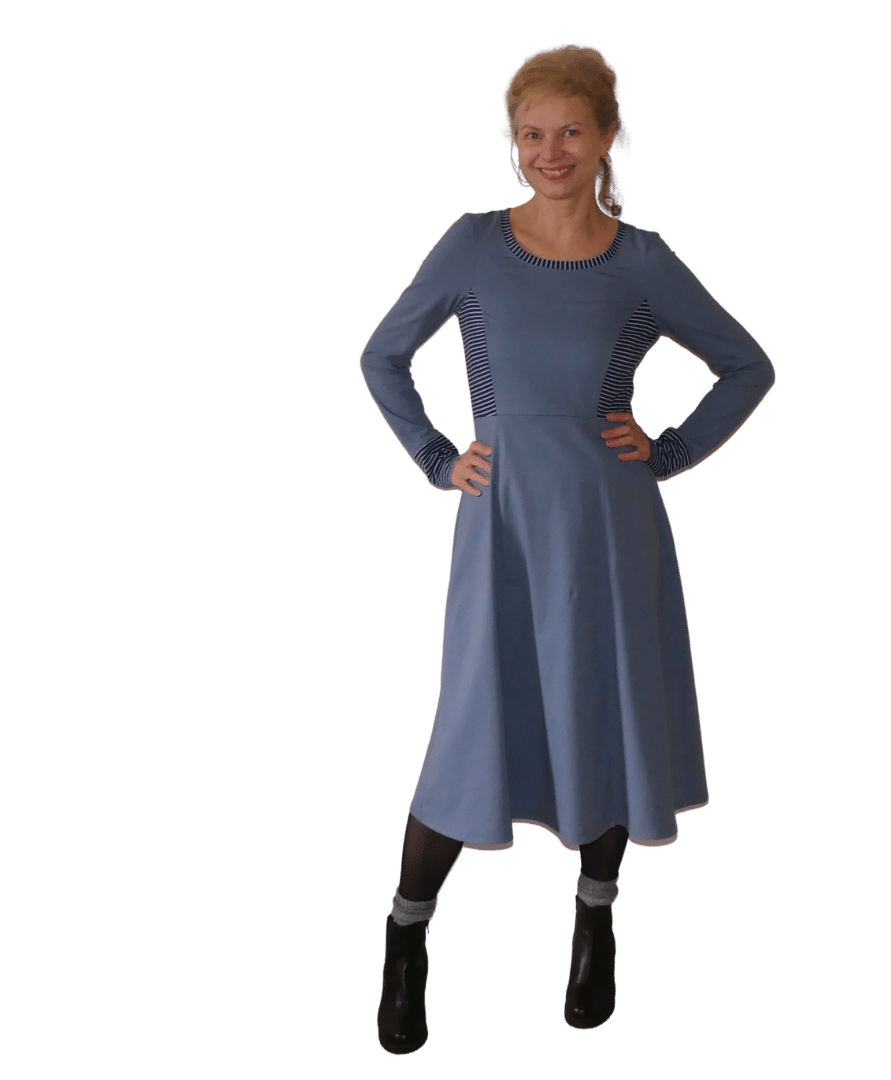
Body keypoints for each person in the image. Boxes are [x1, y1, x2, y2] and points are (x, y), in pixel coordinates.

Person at [360, 43, 777, 1055]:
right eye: (531, 135)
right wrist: (435, 454)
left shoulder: (644, 261)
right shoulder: (471, 244)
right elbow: (383, 355)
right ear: (512, 144)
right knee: (471, 724)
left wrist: (670, 447)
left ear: (610, 138)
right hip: (499, 518)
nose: (550, 152)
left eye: (571, 132)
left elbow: (745, 364)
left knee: (606, 711)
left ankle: (596, 925)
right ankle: (406, 942)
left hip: (609, 522)